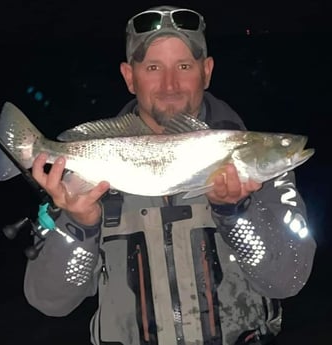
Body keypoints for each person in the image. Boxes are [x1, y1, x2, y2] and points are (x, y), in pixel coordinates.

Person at [24, 5, 316, 345]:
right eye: (152, 67)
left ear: (206, 71)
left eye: (183, 66)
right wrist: (80, 223)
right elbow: (49, 301)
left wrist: (235, 213)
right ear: (128, 76)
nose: (170, 84)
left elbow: (288, 279)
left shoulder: (261, 173)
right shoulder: (88, 170)